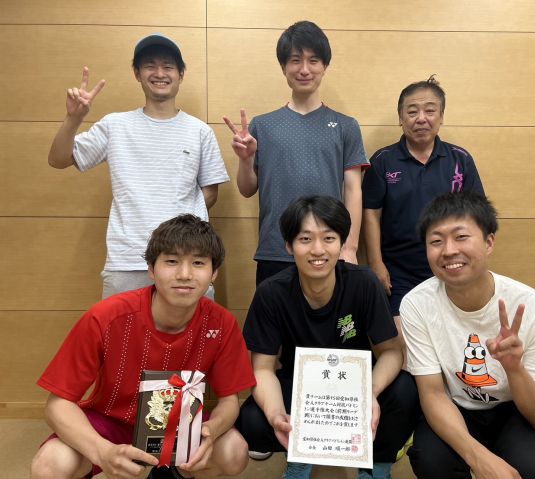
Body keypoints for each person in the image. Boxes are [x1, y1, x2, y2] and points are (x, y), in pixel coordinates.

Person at [31, 214, 256, 479]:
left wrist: (213, 430)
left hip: (183, 424)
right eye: (171, 261)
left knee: (234, 451)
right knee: (50, 463)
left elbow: (229, 401)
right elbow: (57, 404)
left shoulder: (222, 323)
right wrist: (102, 451)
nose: (184, 274)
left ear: (214, 273)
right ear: (151, 269)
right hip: (110, 421)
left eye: (198, 263)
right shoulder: (105, 316)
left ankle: (171, 475)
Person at [235, 196, 419, 479]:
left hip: (355, 385)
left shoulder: (364, 283)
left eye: (329, 238)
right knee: (252, 420)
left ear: (342, 242)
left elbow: (392, 352)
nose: (318, 249)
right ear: (289, 245)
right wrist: (275, 415)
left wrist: (368, 393)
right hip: (302, 391)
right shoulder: (271, 293)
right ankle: (300, 455)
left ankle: (377, 464)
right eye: (305, 239)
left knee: (405, 390)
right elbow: (262, 369)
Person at [400, 192, 535, 479]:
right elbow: (433, 393)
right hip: (458, 407)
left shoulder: (534, 308)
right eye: (436, 241)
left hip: (516, 410)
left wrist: (514, 368)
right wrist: (478, 458)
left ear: (489, 242)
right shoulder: (417, 304)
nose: (448, 250)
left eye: (461, 237)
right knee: (430, 461)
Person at [48, 33, 229, 299]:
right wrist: (73, 119)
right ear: (137, 73)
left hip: (186, 260)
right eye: (150, 66)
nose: (160, 73)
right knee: (121, 328)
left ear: (180, 74)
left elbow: (210, 193)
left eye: (168, 66)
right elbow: (58, 159)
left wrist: (178, 226)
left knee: (194, 329)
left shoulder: (200, 131)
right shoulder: (115, 125)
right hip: (127, 260)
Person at [223, 20, 368, 285]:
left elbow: (353, 190)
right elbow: (246, 189)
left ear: (325, 66)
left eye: (313, 61)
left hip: (328, 250)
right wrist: (245, 160)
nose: (304, 69)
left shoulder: (346, 126)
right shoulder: (261, 125)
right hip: (275, 248)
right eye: (295, 60)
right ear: (283, 66)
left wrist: (349, 247)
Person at [362, 75, 484, 323]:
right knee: (401, 336)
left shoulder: (460, 160)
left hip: (451, 264)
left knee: (451, 331)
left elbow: (477, 215)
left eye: (430, 110)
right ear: (401, 118)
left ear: (441, 116)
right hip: (398, 271)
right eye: (412, 111)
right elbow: (371, 213)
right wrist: (376, 263)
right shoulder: (383, 161)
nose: (421, 118)